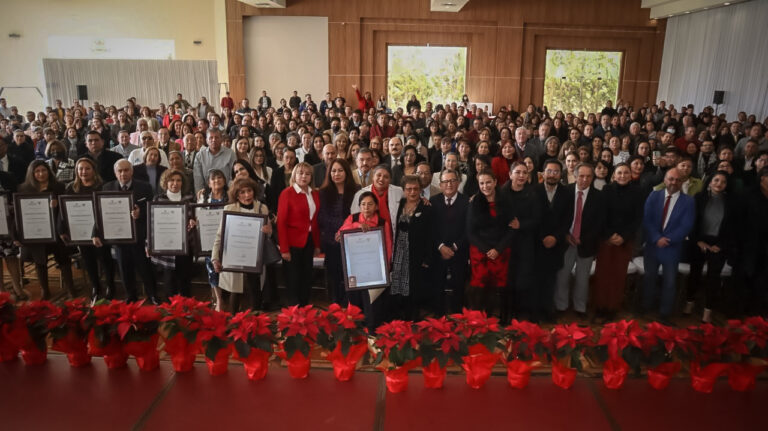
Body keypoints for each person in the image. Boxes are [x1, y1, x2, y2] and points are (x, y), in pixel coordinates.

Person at [642, 168, 696, 322]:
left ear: (682, 182)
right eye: (671, 179)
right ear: (665, 180)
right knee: (649, 278)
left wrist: (668, 240)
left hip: (672, 248)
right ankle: (646, 307)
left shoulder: (688, 201)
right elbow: (647, 219)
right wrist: (656, 237)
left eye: (678, 180)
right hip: (653, 245)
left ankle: (665, 314)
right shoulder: (654, 195)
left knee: (670, 282)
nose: (674, 182)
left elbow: (686, 225)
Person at [211, 178, 272, 312]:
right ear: (236, 195)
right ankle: (234, 325)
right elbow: (219, 237)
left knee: (255, 291)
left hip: (255, 258)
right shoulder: (229, 208)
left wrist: (268, 231)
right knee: (235, 291)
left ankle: (256, 324)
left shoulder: (262, 208)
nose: (247, 195)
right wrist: (215, 258)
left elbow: (269, 235)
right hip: (234, 257)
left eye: (249, 191)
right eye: (242, 192)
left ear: (254, 191)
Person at [102, 159, 159, 303]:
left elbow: (153, 211)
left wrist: (141, 214)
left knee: (145, 269)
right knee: (124, 269)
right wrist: (95, 233)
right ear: (115, 173)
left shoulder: (145, 187)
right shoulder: (107, 188)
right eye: (120, 171)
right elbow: (101, 212)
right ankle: (130, 296)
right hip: (119, 237)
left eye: (126, 170)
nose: (123, 174)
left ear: (132, 171)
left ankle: (152, 295)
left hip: (140, 237)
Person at [17, 161, 75, 300]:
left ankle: (70, 289)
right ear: (32, 173)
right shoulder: (23, 189)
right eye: (37, 171)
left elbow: (67, 209)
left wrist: (57, 204)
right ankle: (44, 290)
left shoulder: (59, 187)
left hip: (57, 231)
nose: (41, 174)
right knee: (39, 261)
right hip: (36, 232)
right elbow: (20, 214)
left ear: (49, 171)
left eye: (44, 170)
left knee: (64, 259)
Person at [592, 163, 642, 322]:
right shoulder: (606, 190)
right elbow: (600, 215)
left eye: (626, 173)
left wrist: (624, 236)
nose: (622, 175)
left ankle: (612, 308)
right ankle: (600, 308)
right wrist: (609, 235)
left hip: (625, 241)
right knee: (603, 275)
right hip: (606, 240)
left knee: (618, 276)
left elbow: (637, 219)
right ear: (614, 175)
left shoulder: (637, 192)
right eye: (619, 172)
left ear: (630, 175)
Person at [554, 163, 606, 319]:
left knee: (582, 278)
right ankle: (561, 305)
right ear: (575, 176)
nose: (584, 179)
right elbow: (558, 217)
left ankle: (580, 307)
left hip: (587, 243)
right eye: (581, 176)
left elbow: (600, 223)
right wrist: (565, 235)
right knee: (562, 275)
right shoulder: (564, 192)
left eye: (588, 176)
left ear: (592, 177)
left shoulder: (599, 196)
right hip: (566, 242)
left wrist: (583, 238)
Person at [63, 157, 117, 302]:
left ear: (94, 170)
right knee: (88, 260)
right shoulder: (70, 188)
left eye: (87, 168)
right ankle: (96, 286)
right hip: (81, 231)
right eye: (80, 169)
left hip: (100, 230)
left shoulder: (103, 186)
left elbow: (106, 210)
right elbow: (64, 211)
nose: (84, 172)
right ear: (76, 171)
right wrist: (62, 229)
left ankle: (110, 285)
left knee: (105, 259)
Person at [685, 171, 736, 322]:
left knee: (713, 277)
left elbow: (733, 228)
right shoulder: (699, 198)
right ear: (710, 182)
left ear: (727, 185)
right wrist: (698, 241)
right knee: (695, 273)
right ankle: (689, 302)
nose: (719, 184)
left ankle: (708, 310)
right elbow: (691, 222)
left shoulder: (731, 202)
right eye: (716, 180)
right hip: (699, 241)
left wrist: (721, 245)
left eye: (723, 182)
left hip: (719, 243)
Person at [337, 192, 391, 329]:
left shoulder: (382, 222)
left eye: (370, 204)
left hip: (374, 269)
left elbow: (388, 245)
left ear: (376, 207)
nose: (366, 207)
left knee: (372, 301)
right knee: (354, 298)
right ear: (359, 206)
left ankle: (372, 329)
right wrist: (356, 226)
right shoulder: (352, 218)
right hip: (354, 267)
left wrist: (385, 267)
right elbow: (339, 235)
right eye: (363, 204)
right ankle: (354, 329)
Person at [466, 170, 514, 315]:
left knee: (499, 286)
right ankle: (478, 319)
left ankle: (499, 318)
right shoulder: (474, 202)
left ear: (495, 182)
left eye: (488, 182)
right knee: (479, 285)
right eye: (481, 183)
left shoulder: (506, 201)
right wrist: (487, 250)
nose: (485, 186)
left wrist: (497, 249)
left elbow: (512, 229)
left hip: (501, 250)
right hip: (479, 252)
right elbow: (470, 232)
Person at [498, 162, 541, 322]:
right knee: (506, 281)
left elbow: (537, 219)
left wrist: (520, 224)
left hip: (525, 243)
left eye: (524, 173)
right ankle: (505, 316)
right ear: (510, 174)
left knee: (522, 281)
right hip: (505, 244)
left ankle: (520, 317)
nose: (521, 175)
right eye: (518, 172)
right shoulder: (501, 193)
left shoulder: (533, 193)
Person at [390, 175, 433, 321]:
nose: (412, 192)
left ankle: (412, 316)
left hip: (415, 252)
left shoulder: (426, 207)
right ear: (404, 190)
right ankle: (398, 315)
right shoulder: (400, 203)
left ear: (421, 190)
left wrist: (427, 257)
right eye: (409, 189)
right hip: (399, 250)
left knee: (413, 284)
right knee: (398, 281)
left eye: (416, 189)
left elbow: (430, 234)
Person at [277, 162, 321, 306]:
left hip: (309, 241)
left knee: (307, 278)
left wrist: (317, 244)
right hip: (292, 243)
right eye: (300, 173)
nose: (304, 176)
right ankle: (294, 314)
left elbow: (315, 221)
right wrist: (284, 249)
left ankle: (305, 310)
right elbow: (281, 223)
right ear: (294, 175)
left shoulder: (314, 193)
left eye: (307, 174)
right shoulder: (287, 193)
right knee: (293, 280)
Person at [317, 159, 359, 305]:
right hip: (331, 239)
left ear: (347, 172)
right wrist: (338, 232)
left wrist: (345, 232)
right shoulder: (323, 192)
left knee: (350, 274)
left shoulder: (356, 190)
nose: (337, 174)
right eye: (333, 171)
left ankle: (351, 304)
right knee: (334, 274)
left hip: (352, 240)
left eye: (340, 170)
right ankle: (336, 304)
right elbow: (322, 216)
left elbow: (358, 215)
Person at [534, 159, 571, 321]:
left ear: (560, 174)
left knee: (551, 278)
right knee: (536, 277)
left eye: (556, 172)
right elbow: (531, 218)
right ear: (543, 173)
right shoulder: (533, 191)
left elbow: (567, 219)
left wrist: (555, 237)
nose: (552, 174)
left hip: (556, 244)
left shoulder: (567, 193)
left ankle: (548, 309)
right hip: (537, 242)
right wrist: (543, 237)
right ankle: (534, 310)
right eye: (549, 171)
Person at [430, 168, 469, 314]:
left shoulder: (467, 202)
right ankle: (438, 317)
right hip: (438, 251)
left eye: (453, 180)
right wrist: (440, 246)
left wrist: (454, 246)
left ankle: (457, 317)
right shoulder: (433, 202)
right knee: (437, 284)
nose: (449, 184)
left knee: (458, 285)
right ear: (440, 185)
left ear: (458, 183)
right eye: (445, 181)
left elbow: (468, 229)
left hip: (459, 251)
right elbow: (431, 229)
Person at [151, 169, 195, 297]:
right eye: (171, 180)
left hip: (186, 246)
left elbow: (195, 218)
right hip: (167, 248)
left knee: (185, 281)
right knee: (169, 281)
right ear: (166, 182)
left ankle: (187, 310)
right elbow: (152, 223)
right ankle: (171, 312)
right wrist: (149, 244)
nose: (175, 183)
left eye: (178, 180)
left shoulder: (190, 198)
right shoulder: (158, 199)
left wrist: (193, 221)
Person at [196, 169, 228, 310]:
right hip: (209, 239)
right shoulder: (203, 198)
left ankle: (225, 298)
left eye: (219, 177)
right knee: (212, 268)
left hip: (227, 239)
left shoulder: (230, 197)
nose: (216, 181)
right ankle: (219, 299)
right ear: (209, 183)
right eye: (213, 179)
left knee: (226, 269)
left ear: (224, 181)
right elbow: (198, 217)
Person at [193, 128, 236, 193]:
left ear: (221, 139)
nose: (214, 140)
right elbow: (198, 179)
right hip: (206, 193)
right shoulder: (200, 155)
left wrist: (230, 193)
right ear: (206, 141)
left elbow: (233, 176)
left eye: (216, 137)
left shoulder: (230, 153)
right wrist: (201, 196)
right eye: (211, 138)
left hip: (227, 191)